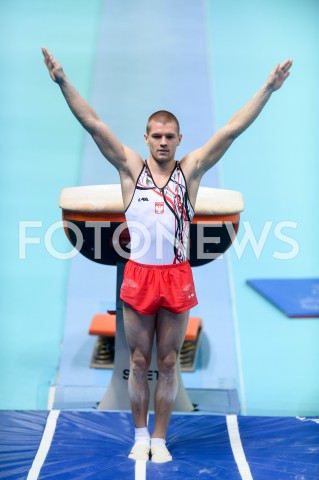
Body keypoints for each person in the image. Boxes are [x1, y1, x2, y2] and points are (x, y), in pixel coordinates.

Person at [42, 47, 292, 463]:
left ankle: (160, 439)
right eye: (155, 136)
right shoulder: (129, 168)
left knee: (168, 361)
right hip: (138, 274)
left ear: (179, 140)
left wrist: (267, 88)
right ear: (146, 138)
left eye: (169, 137)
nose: (161, 142)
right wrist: (63, 81)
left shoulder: (190, 170)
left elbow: (231, 130)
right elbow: (92, 123)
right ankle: (139, 435)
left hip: (175, 274)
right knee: (139, 359)